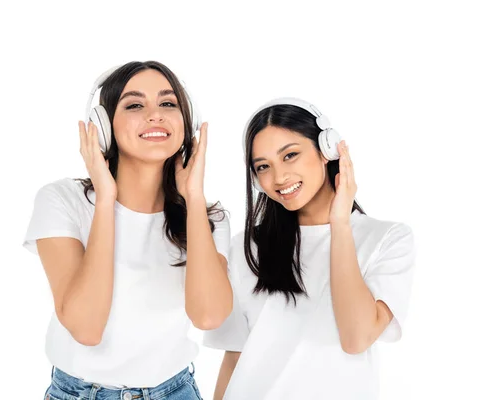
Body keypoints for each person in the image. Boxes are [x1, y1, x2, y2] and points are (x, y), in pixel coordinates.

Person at [23, 61, 231, 400]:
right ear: (103, 127)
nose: (155, 115)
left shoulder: (209, 217)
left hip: (175, 392)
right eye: (135, 104)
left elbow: (209, 316)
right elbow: (87, 328)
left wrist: (193, 197)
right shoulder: (63, 200)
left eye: (168, 103)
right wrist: (107, 200)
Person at [204, 98, 416, 399]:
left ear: (326, 150)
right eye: (263, 166)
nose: (278, 177)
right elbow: (235, 356)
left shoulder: (387, 239)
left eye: (290, 155)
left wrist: (339, 223)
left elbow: (357, 338)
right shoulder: (247, 246)